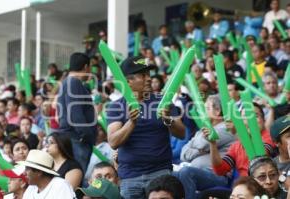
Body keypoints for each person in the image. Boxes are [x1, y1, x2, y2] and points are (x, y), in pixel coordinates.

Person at [106, 56, 185, 199]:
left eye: (149, 74)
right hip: (130, 177)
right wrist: (131, 122)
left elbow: (182, 133)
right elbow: (113, 142)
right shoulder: (116, 106)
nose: (148, 78)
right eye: (143, 75)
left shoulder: (162, 100)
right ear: (128, 81)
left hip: (160, 174)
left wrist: (168, 120)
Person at [57, 52, 97, 173]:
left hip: (73, 138)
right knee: (76, 177)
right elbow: (75, 114)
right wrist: (85, 136)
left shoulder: (67, 83)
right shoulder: (73, 82)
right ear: (86, 67)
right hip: (77, 139)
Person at [180, 95, 236, 169]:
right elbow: (183, 152)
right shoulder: (206, 127)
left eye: (207, 108)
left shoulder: (225, 128)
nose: (203, 112)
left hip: (215, 175)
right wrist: (200, 151)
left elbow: (202, 144)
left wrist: (194, 147)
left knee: (185, 172)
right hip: (196, 171)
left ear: (217, 111)